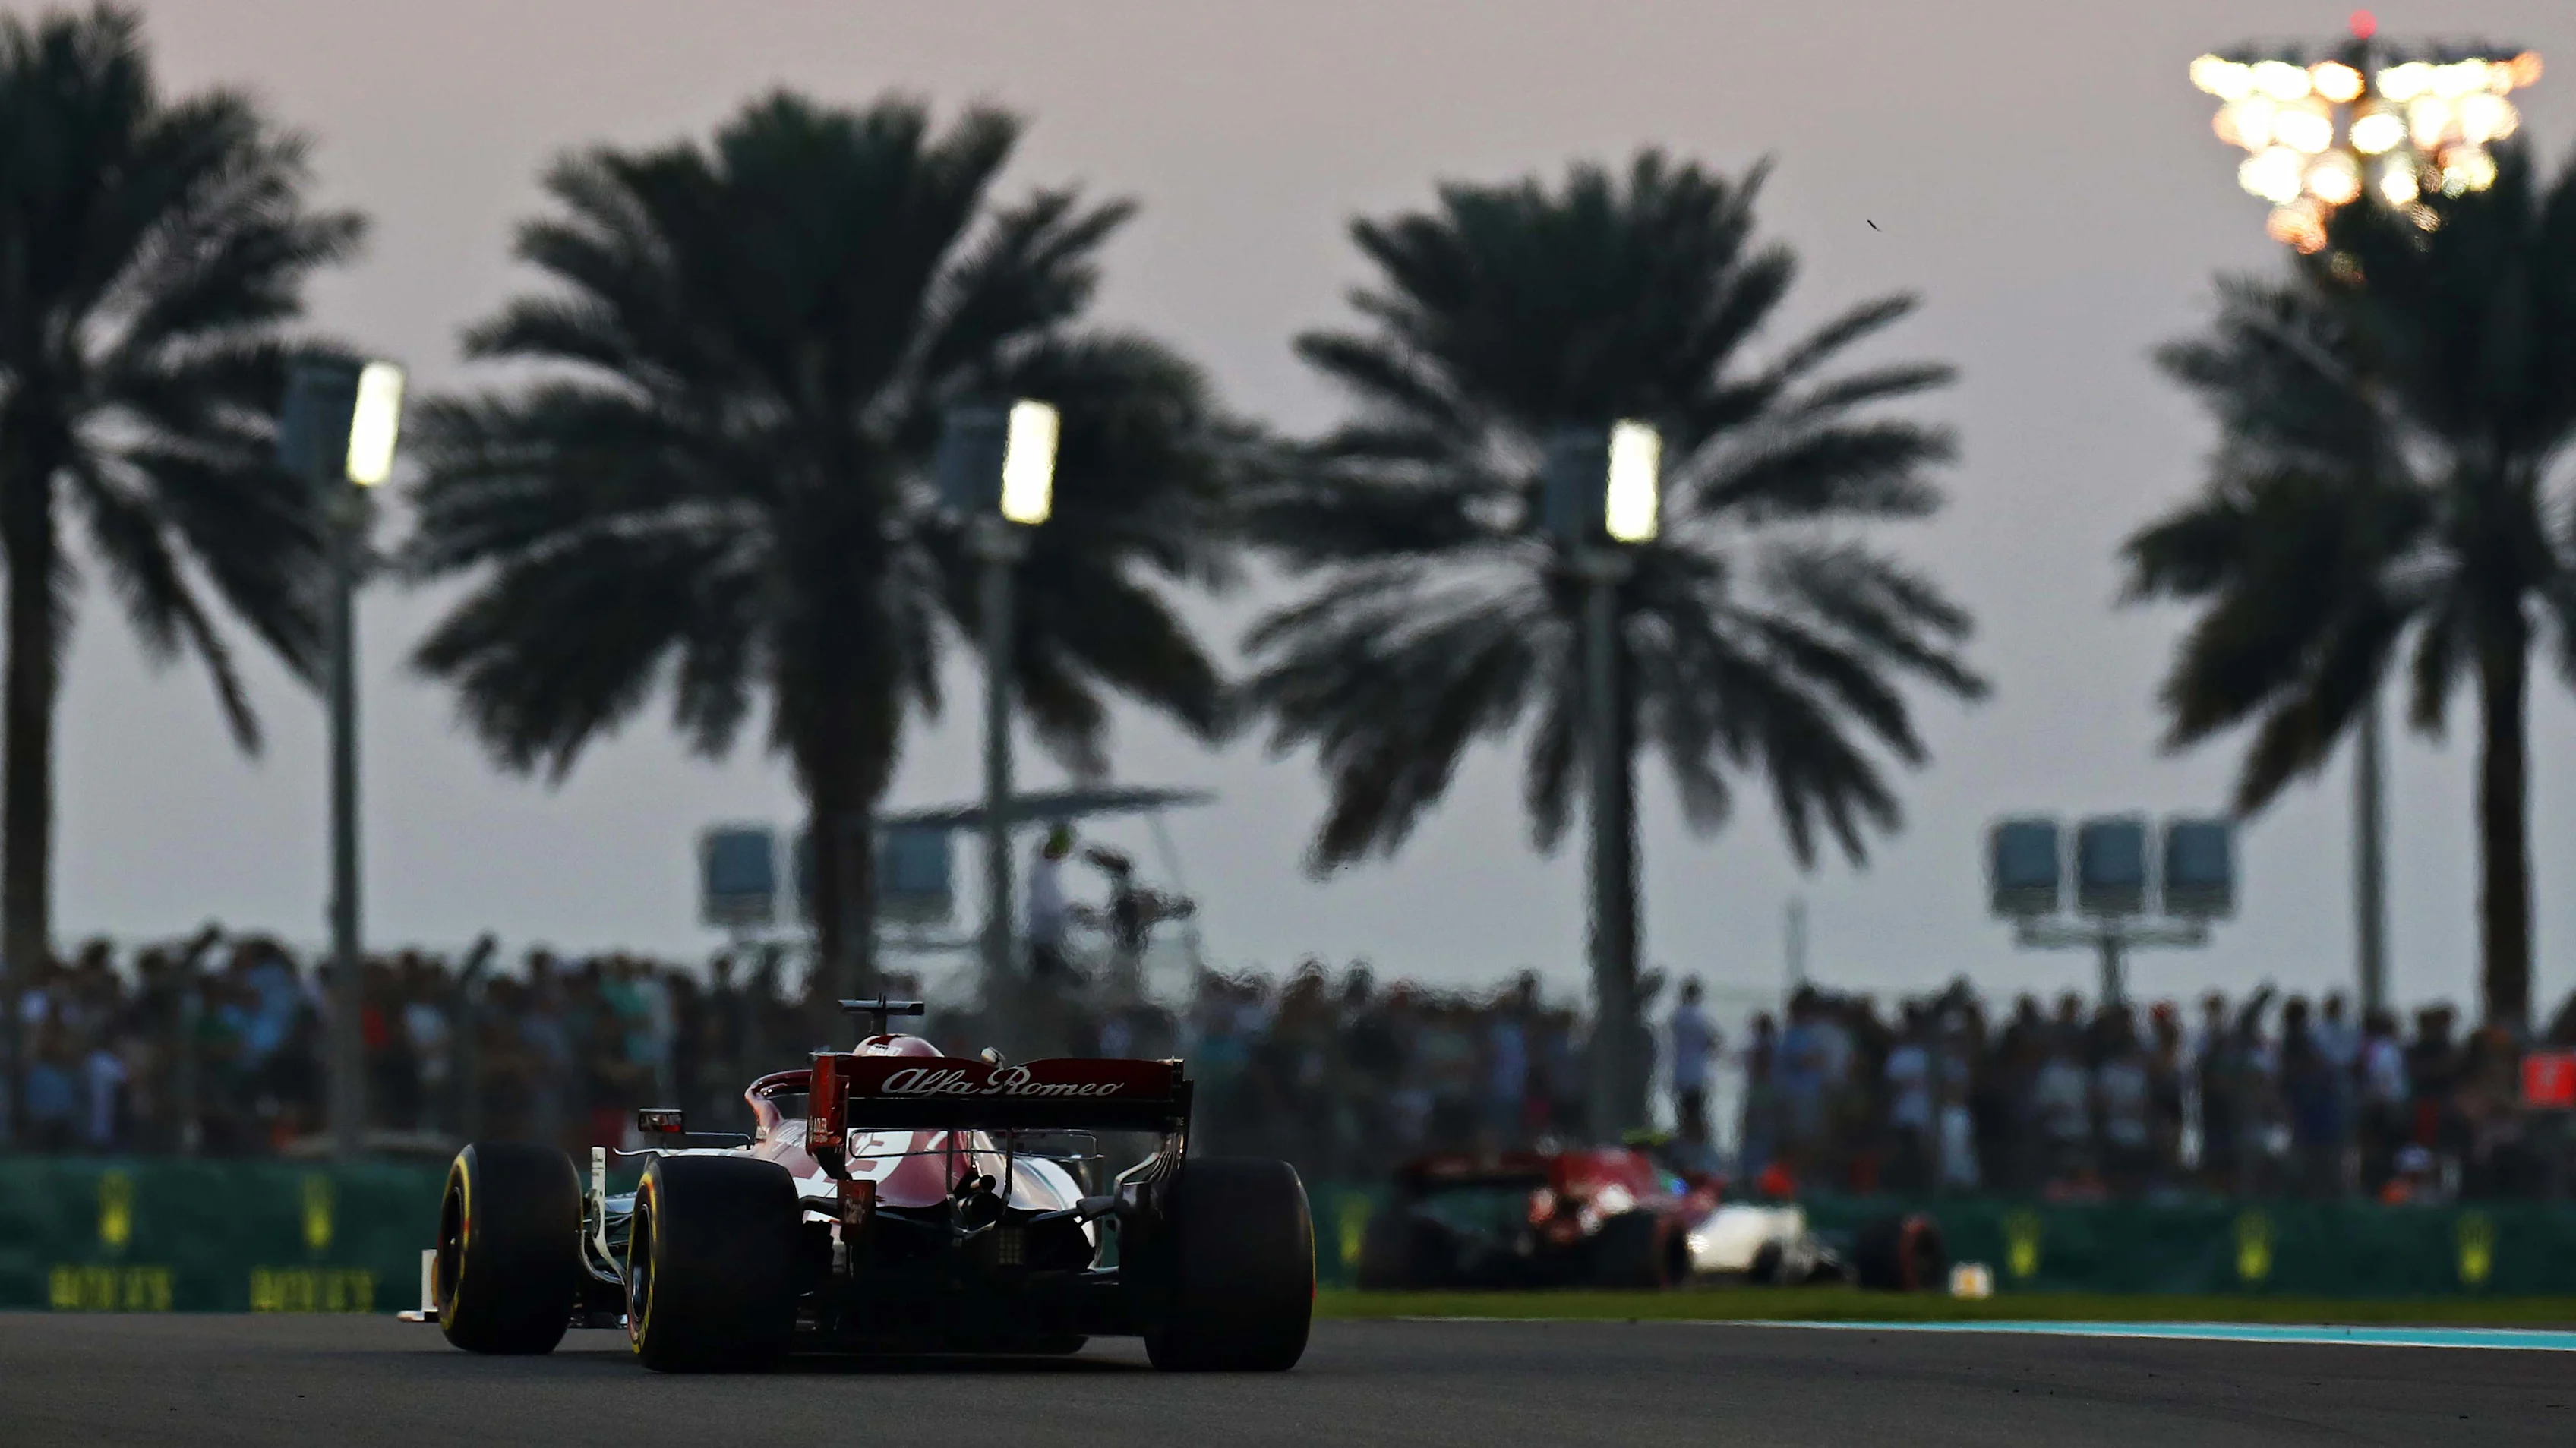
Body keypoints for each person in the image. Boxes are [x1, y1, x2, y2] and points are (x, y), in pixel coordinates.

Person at [1668, 979, 1719, 1146]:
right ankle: (1698, 1152)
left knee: (1683, 1118)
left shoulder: (1676, 1016)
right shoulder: (1700, 1018)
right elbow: (1713, 1042)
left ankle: (1685, 1149)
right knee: (1697, 1117)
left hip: (1680, 1074)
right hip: (1697, 1075)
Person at [1026, 825, 1075, 983]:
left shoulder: (1047, 869)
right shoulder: (1042, 870)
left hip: (1049, 934)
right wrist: (1070, 912)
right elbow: (1048, 904)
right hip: (1045, 936)